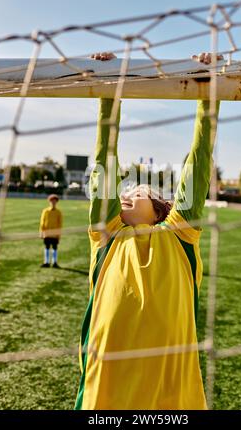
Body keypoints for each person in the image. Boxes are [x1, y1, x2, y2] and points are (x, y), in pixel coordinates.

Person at [75, 52, 221, 410]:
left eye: (136, 191)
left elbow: (197, 164)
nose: (125, 193)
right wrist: (110, 89)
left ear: (160, 210)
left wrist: (207, 90)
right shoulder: (106, 235)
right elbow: (104, 162)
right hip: (106, 389)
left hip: (169, 390)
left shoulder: (180, 235)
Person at [39, 194, 63, 268]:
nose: (53, 202)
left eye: (54, 201)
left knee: (55, 247)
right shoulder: (45, 211)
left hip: (55, 234)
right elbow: (42, 222)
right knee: (47, 247)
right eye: (51, 201)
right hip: (47, 233)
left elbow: (60, 224)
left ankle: (54, 262)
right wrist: (41, 233)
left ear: (56, 202)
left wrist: (59, 234)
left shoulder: (59, 212)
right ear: (49, 202)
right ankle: (46, 262)